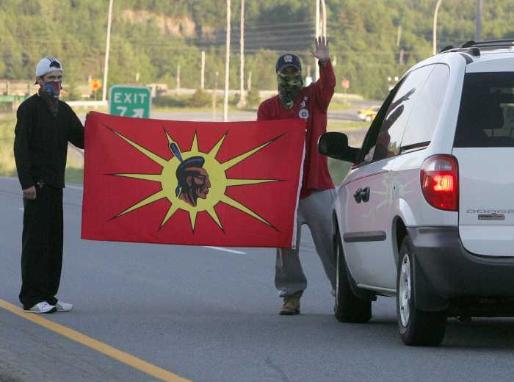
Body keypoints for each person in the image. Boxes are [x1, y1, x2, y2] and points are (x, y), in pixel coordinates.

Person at [257, 37, 337, 315]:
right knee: (285, 247)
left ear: (301, 75)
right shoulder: (268, 109)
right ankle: (291, 294)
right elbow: (262, 146)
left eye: (295, 72)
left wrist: (324, 61)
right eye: (285, 73)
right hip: (286, 192)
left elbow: (328, 86)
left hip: (317, 188)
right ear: (278, 75)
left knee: (330, 244)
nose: (291, 77)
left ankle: (342, 292)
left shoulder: (313, 98)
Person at [13, 56, 84, 314]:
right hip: (37, 186)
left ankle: (49, 295)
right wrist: (27, 182)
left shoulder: (63, 111)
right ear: (39, 81)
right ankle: (31, 298)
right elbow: (21, 148)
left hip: (56, 186)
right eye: (50, 78)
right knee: (36, 243)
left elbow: (83, 138)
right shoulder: (29, 109)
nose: (56, 82)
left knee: (54, 243)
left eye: (58, 78)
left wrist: (109, 128)